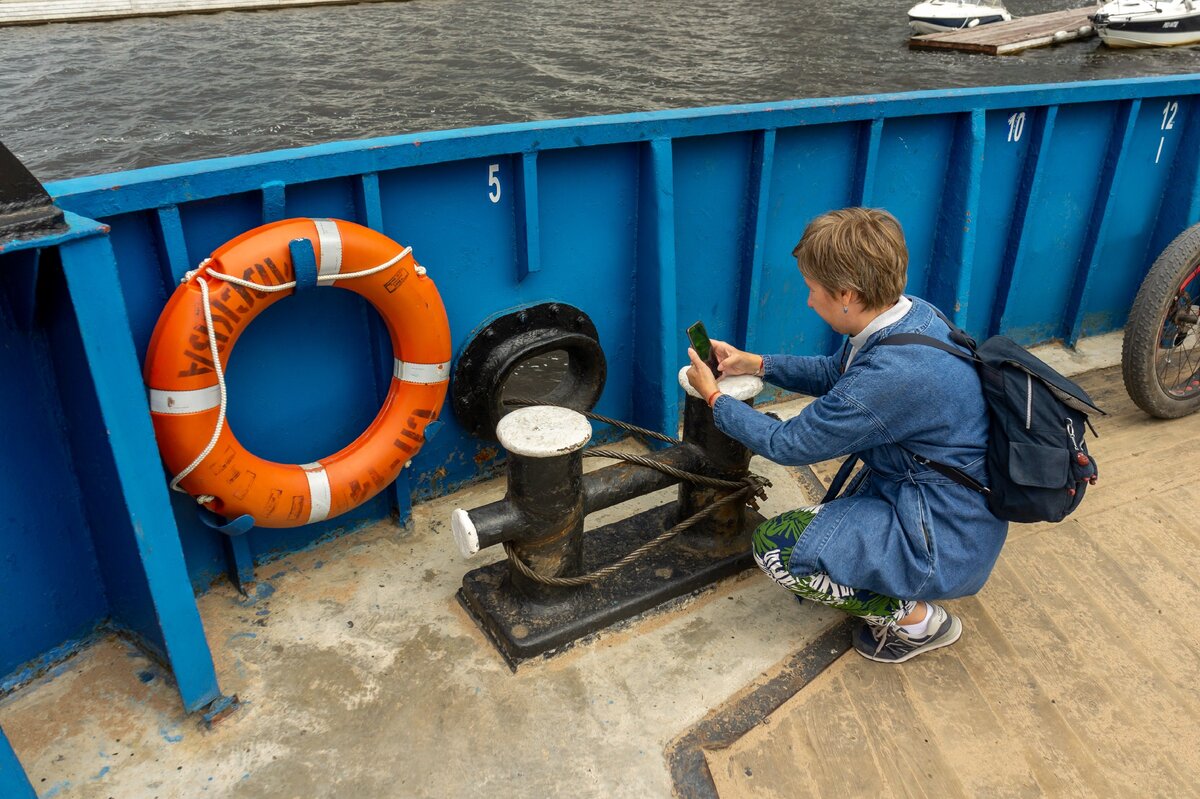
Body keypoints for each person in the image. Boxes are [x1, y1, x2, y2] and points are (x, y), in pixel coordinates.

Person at [686, 207, 1007, 663]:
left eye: (812, 290)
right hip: (947, 503)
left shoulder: (892, 374)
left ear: (847, 296)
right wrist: (757, 363)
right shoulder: (912, 316)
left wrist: (716, 399)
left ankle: (918, 622)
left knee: (776, 549)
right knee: (826, 530)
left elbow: (789, 444)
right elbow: (837, 373)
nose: (808, 301)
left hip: (942, 535)